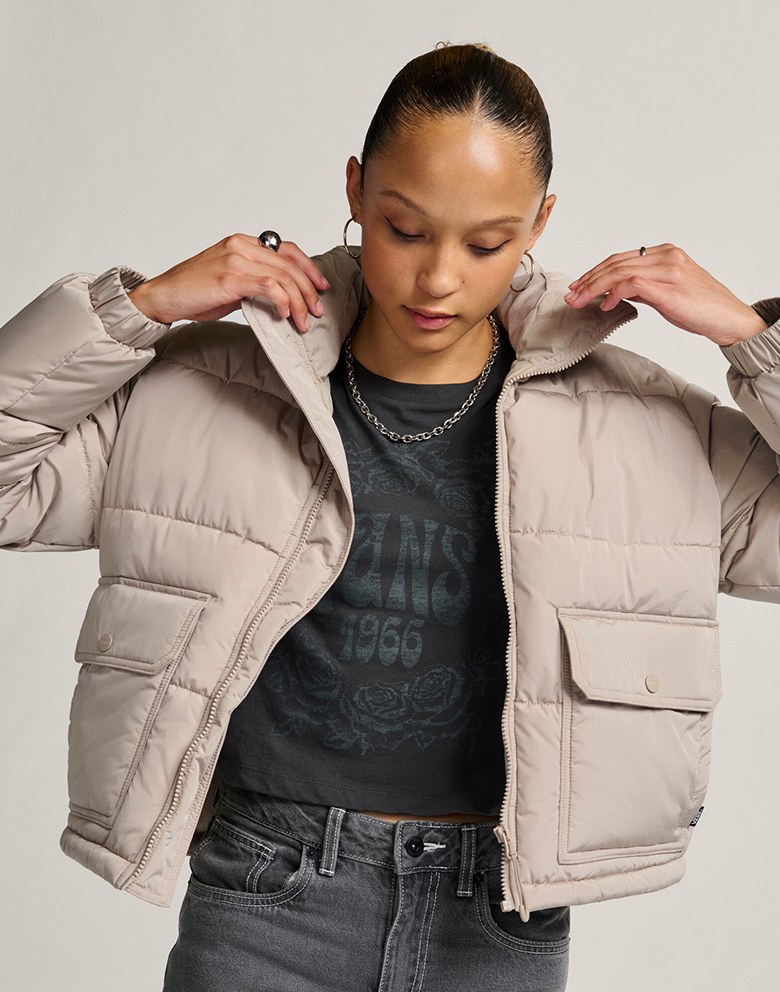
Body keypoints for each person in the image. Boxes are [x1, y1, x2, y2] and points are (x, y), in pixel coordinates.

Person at [0, 40, 777, 992]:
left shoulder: (644, 427)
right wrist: (142, 310)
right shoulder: (206, 387)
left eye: (487, 243)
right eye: (406, 229)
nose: (440, 277)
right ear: (358, 189)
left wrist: (754, 341)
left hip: (497, 918)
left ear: (541, 223)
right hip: (266, 894)